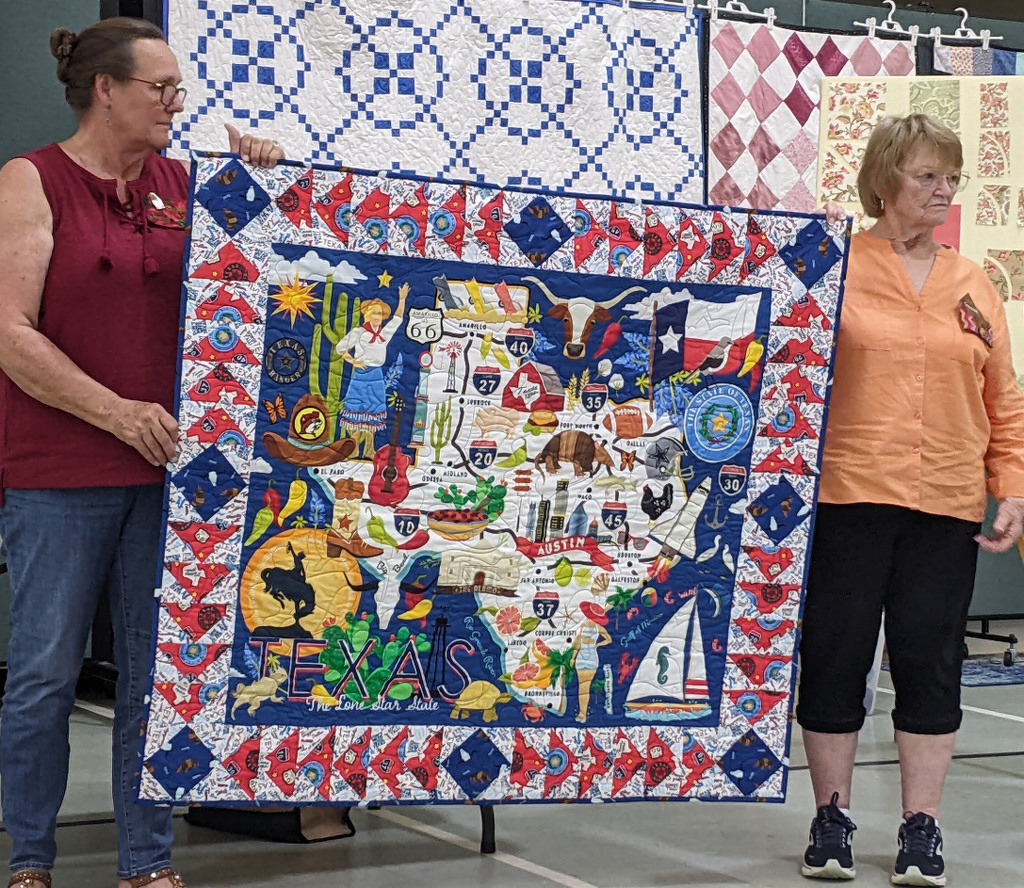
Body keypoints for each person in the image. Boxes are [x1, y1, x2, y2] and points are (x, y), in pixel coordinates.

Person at [0, 18, 283, 888]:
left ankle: (147, 863)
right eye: (160, 88)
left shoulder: (189, 185)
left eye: (177, 89)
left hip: (175, 480)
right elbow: (10, 334)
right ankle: (30, 857)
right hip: (61, 476)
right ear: (105, 90)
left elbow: (269, 281)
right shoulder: (32, 181)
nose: (175, 103)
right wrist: (117, 414)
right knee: (45, 674)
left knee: (161, 680)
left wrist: (261, 180)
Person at [796, 113, 1024, 887]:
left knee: (932, 661)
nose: (943, 190)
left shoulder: (973, 282)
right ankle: (831, 821)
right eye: (928, 176)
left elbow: (1003, 398)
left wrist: (1012, 487)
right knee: (836, 655)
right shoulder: (835, 268)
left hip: (947, 500)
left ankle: (921, 828)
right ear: (885, 181)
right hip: (850, 493)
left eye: (951, 177)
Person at [336, 283, 409, 457]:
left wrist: (402, 299)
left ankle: (369, 449)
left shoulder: (384, 334)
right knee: (356, 411)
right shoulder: (359, 332)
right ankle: (353, 448)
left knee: (373, 412)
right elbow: (340, 348)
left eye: (380, 314)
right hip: (360, 375)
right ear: (367, 314)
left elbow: (397, 319)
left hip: (376, 375)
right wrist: (353, 361)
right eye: (374, 313)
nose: (377, 317)